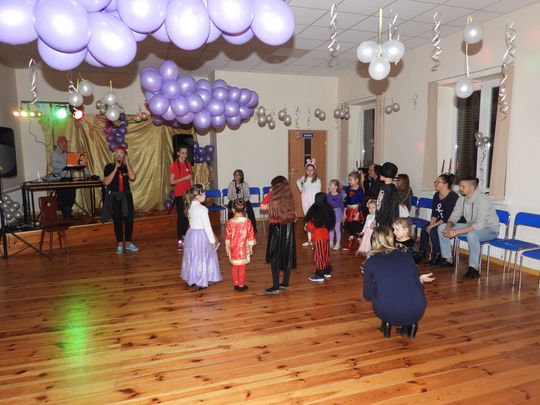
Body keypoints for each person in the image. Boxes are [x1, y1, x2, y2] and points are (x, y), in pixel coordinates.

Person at [363, 226, 435, 339]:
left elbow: (368, 295)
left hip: (388, 312)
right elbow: (415, 283)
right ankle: (409, 326)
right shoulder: (407, 256)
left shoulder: (370, 262)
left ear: (373, 241)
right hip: (417, 310)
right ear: (392, 239)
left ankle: (388, 325)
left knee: (382, 290)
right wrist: (420, 280)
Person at [437, 176, 500, 280]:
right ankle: (448, 259)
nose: (460, 188)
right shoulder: (462, 198)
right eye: (460, 186)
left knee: (472, 235)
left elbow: (479, 225)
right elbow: (454, 215)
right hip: (471, 225)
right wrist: (449, 227)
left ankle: (473, 268)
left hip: (489, 229)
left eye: (463, 186)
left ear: (472, 187)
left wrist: (456, 232)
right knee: (441, 227)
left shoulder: (484, 200)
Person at [181, 184, 222, 289]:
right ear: (198, 195)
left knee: (194, 256)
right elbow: (207, 226)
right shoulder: (202, 209)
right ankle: (201, 281)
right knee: (202, 257)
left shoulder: (189, 206)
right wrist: (212, 240)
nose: (206, 195)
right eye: (204, 193)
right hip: (202, 236)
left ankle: (192, 278)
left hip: (192, 235)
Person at [102, 145, 138, 254]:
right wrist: (115, 169)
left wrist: (127, 164)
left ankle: (128, 243)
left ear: (124, 155)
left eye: (122, 153)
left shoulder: (126, 167)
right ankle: (120, 244)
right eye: (117, 153)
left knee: (129, 220)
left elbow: (133, 177)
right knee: (117, 221)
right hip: (115, 197)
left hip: (126, 197)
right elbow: (106, 182)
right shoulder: (109, 167)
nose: (119, 155)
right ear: (114, 155)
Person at [265, 176, 297, 295]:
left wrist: (269, 194)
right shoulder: (290, 200)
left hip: (276, 230)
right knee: (287, 255)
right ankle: (285, 283)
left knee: (275, 257)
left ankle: (275, 287)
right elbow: (295, 216)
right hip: (289, 230)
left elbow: (263, 206)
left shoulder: (274, 201)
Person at [420, 174, 459, 266]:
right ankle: (422, 253)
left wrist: (432, 226)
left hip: (453, 222)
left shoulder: (453, 197)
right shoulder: (436, 195)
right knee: (425, 228)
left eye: (438, 182)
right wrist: (431, 225)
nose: (435, 184)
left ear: (445, 184)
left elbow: (447, 218)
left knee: (434, 230)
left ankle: (438, 256)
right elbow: (434, 213)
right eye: (435, 182)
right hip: (441, 221)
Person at [50, 135, 89, 218]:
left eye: (66, 143)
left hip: (69, 179)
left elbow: (80, 163)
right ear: (58, 144)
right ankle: (66, 212)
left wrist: (87, 173)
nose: (64, 145)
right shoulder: (55, 153)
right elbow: (54, 164)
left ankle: (68, 210)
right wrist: (66, 165)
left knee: (71, 195)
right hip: (59, 179)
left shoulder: (70, 154)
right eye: (62, 143)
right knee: (62, 196)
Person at [225, 199, 256, 292]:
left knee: (234, 266)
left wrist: (227, 248)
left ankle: (236, 284)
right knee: (242, 267)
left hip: (233, 248)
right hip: (243, 249)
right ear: (245, 209)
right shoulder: (248, 222)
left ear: (233, 210)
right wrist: (250, 247)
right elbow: (251, 236)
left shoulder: (229, 222)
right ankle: (241, 285)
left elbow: (227, 237)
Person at [305, 192, 336, 283]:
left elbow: (311, 226)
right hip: (326, 236)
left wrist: (307, 226)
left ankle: (319, 275)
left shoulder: (315, 211)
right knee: (325, 254)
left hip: (318, 238)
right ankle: (327, 271)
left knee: (319, 256)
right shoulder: (328, 210)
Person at [169, 145, 192, 251]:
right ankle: (179, 240)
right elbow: (171, 182)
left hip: (188, 195)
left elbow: (190, 180)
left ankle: (185, 237)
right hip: (179, 195)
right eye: (182, 153)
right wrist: (185, 178)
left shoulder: (188, 164)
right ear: (178, 153)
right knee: (181, 217)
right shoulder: (174, 164)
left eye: (186, 153)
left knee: (187, 217)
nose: (184, 155)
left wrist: (192, 192)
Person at [296, 159, 321, 247]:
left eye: (311, 170)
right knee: (307, 219)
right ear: (306, 170)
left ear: (314, 171)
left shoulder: (317, 180)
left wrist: (318, 203)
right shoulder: (304, 178)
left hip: (313, 201)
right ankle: (309, 240)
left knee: (313, 219)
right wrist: (301, 189)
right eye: (308, 170)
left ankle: (315, 238)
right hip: (304, 200)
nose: (309, 172)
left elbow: (318, 192)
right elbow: (298, 182)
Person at [227, 169, 257, 233]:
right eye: (235, 174)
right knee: (230, 209)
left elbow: (248, 195)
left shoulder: (245, 184)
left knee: (250, 211)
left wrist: (243, 201)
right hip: (234, 201)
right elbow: (229, 195)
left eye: (238, 175)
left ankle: (253, 228)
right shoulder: (231, 184)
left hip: (244, 201)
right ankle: (230, 229)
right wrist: (235, 200)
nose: (236, 176)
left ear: (241, 176)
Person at [342, 171, 364, 251]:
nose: (349, 181)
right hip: (349, 211)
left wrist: (357, 214)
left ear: (356, 180)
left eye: (351, 180)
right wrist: (344, 212)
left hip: (355, 212)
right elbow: (346, 201)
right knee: (350, 228)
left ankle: (361, 245)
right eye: (349, 179)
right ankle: (350, 245)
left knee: (357, 228)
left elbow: (361, 203)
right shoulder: (348, 189)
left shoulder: (360, 190)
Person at [375, 162, 400, 228]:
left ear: (386, 174)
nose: (379, 174)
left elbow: (389, 210)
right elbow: (379, 204)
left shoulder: (390, 189)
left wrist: (384, 225)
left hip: (385, 223)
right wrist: (376, 219)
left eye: (381, 173)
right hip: (380, 220)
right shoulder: (383, 187)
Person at [327, 179, 345, 251]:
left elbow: (341, 206)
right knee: (331, 229)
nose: (329, 187)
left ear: (335, 187)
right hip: (330, 213)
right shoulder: (328, 195)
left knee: (337, 229)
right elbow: (326, 205)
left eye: (330, 185)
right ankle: (331, 242)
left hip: (337, 213)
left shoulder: (339, 196)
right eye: (329, 185)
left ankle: (338, 243)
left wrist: (342, 215)